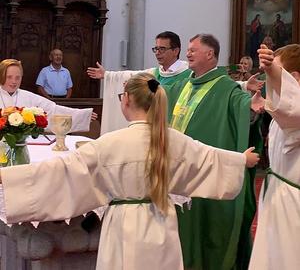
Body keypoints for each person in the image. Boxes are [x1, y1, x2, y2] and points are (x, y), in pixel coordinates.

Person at [0, 72, 260, 270]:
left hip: (123, 224)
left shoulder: (112, 143)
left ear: (127, 101)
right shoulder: (173, 139)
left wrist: (8, 177)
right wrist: (241, 160)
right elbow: (208, 158)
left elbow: (63, 170)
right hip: (161, 219)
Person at [165, 34, 264, 270]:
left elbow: (241, 103)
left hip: (203, 170)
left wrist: (249, 107)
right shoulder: (182, 84)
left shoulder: (225, 87)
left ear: (210, 54)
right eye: (187, 50)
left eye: (193, 50)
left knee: (203, 224)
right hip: (177, 170)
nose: (187, 53)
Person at [249, 44, 300, 270]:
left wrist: (273, 71)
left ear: (294, 78)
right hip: (277, 193)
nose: (269, 76)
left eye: (275, 72)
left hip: (292, 202)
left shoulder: (295, 110)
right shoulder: (284, 112)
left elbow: (292, 110)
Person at [87, 31, 191, 134]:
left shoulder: (188, 74)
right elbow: (128, 75)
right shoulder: (154, 73)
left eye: (162, 49)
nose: (157, 53)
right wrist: (107, 75)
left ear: (175, 51)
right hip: (153, 126)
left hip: (176, 127)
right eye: (156, 49)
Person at [0, 59, 97, 132]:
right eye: (9, 77)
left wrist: (83, 115)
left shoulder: (29, 97)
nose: (14, 81)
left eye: (18, 77)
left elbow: (53, 110)